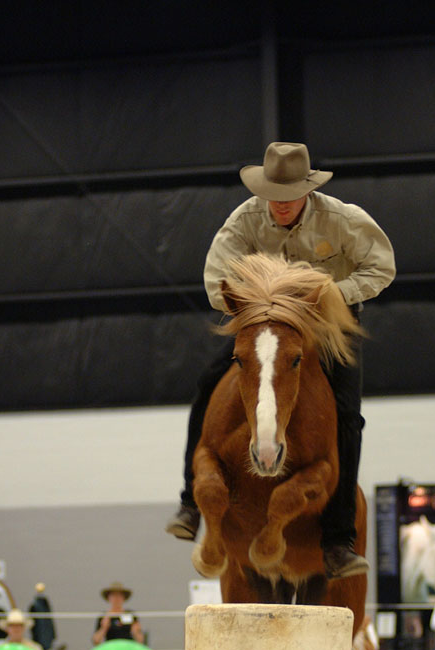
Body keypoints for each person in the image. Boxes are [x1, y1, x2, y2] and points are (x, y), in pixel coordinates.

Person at [166, 141, 396, 579]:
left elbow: (381, 268)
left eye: (290, 199)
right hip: (265, 325)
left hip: (326, 327)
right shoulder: (245, 219)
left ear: (307, 191)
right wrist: (263, 306)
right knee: (206, 386)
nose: (282, 207)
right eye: (275, 197)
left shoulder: (343, 219)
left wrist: (330, 298)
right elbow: (217, 280)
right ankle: (190, 503)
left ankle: (338, 539)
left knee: (348, 416)